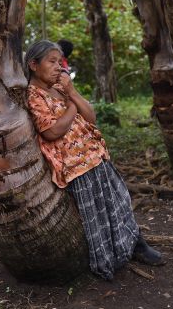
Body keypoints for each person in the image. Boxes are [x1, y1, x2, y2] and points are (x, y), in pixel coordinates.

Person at [23, 40, 163, 281]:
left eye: (60, 62)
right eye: (51, 62)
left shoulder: (60, 88)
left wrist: (72, 94)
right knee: (96, 214)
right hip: (76, 166)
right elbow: (52, 131)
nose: (58, 67)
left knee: (119, 200)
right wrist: (72, 108)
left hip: (96, 155)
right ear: (33, 65)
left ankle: (135, 244)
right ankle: (112, 256)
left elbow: (91, 116)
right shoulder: (33, 95)